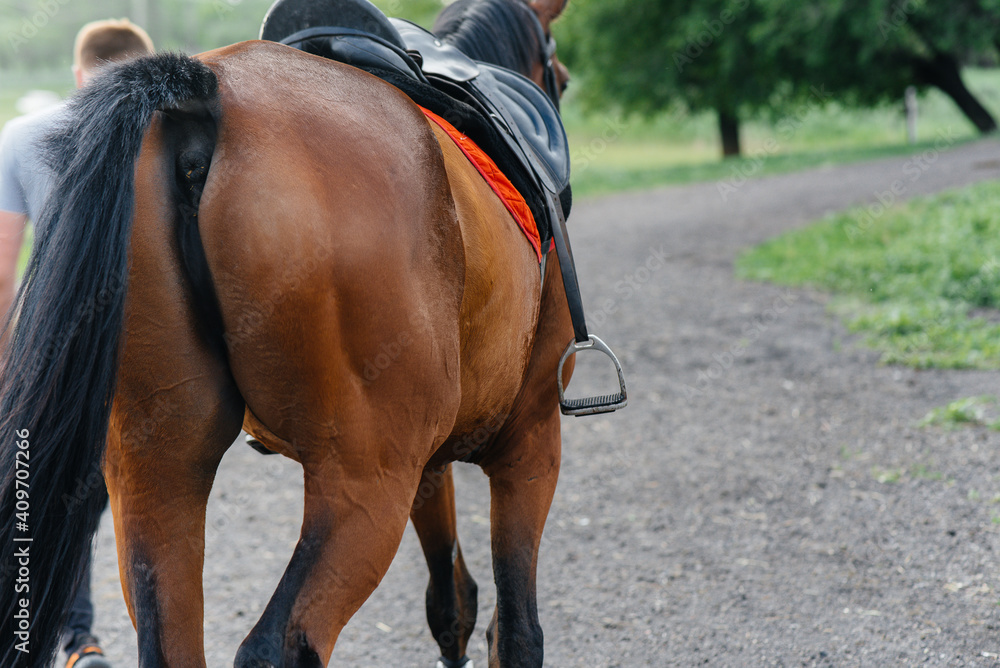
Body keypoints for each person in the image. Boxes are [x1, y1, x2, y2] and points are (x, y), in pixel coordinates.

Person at [0, 19, 154, 668]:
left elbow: (5, 266)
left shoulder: (24, 136)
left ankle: (75, 639)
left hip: (55, 350)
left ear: (78, 73)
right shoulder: (170, 132)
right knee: (155, 492)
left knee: (50, 492)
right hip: (157, 350)